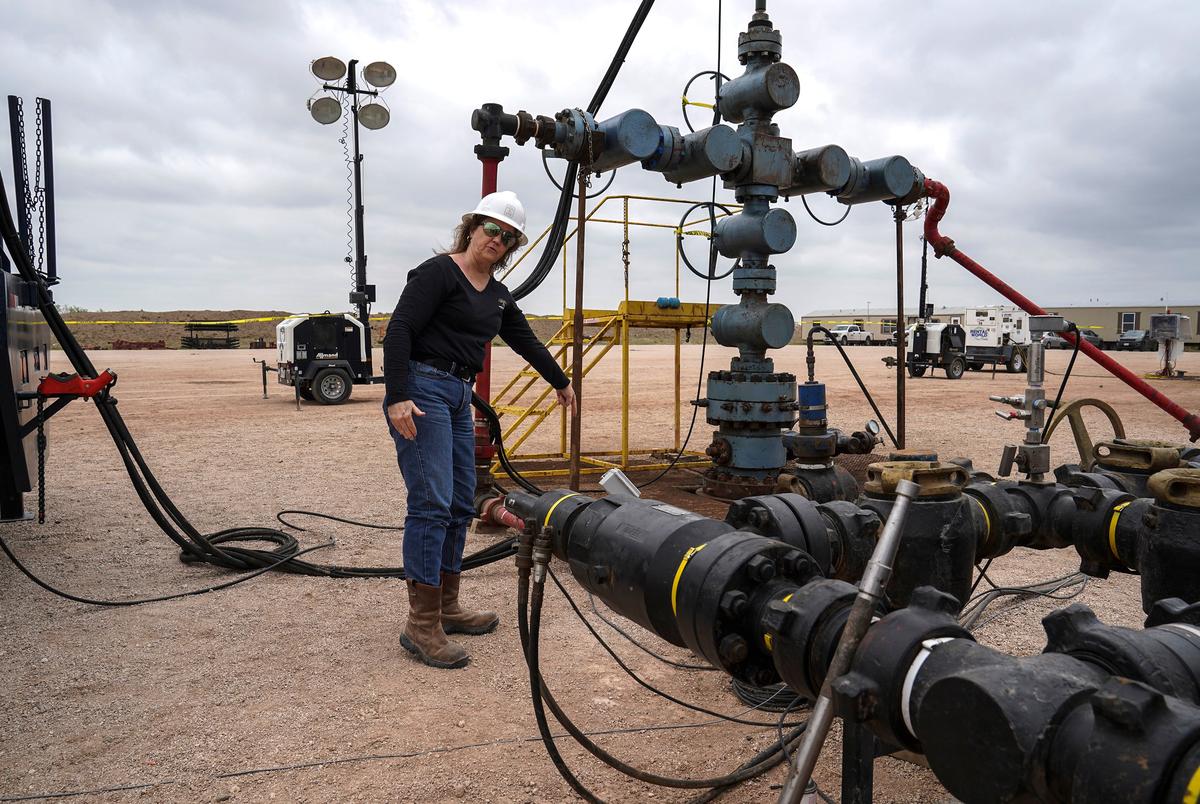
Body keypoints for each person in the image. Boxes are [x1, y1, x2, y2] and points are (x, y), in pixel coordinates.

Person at [382, 190, 575, 669]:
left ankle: (446, 606)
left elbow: (524, 338)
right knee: (430, 500)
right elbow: (400, 329)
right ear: (472, 227)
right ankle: (420, 624)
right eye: (492, 229)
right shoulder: (438, 273)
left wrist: (561, 382)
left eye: (508, 237)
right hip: (423, 390)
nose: (498, 240)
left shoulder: (498, 294)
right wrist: (396, 395)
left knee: (459, 499)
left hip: (458, 395)